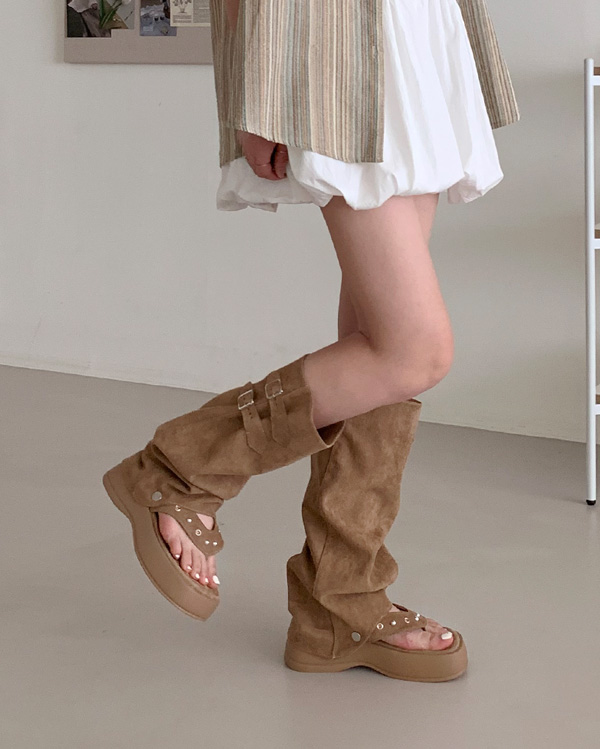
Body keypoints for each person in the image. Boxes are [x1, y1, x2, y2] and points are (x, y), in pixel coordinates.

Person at [103, 0, 520, 681]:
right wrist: (259, 91)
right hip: (336, 40)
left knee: (376, 340)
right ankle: (179, 469)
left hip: (413, 32)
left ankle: (339, 603)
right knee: (413, 350)